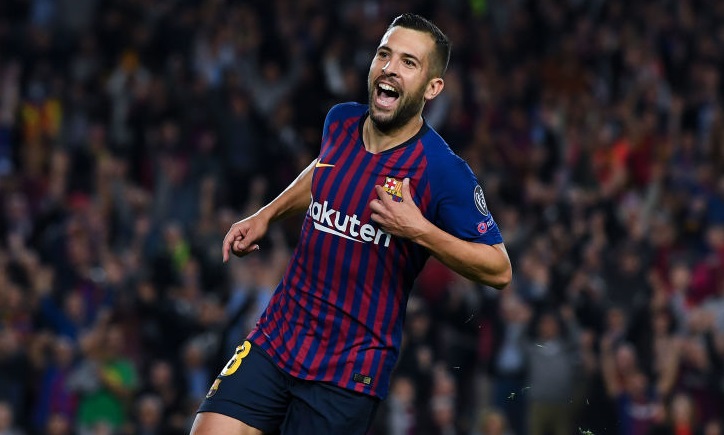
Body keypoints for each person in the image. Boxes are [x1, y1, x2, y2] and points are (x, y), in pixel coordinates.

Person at [191, 13, 512, 435]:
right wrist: (266, 214)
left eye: (409, 62)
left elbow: (499, 268)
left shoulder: (442, 170)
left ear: (432, 87)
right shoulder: (340, 120)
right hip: (279, 334)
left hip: (348, 370)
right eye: (384, 54)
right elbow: (323, 170)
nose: (390, 67)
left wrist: (419, 230)